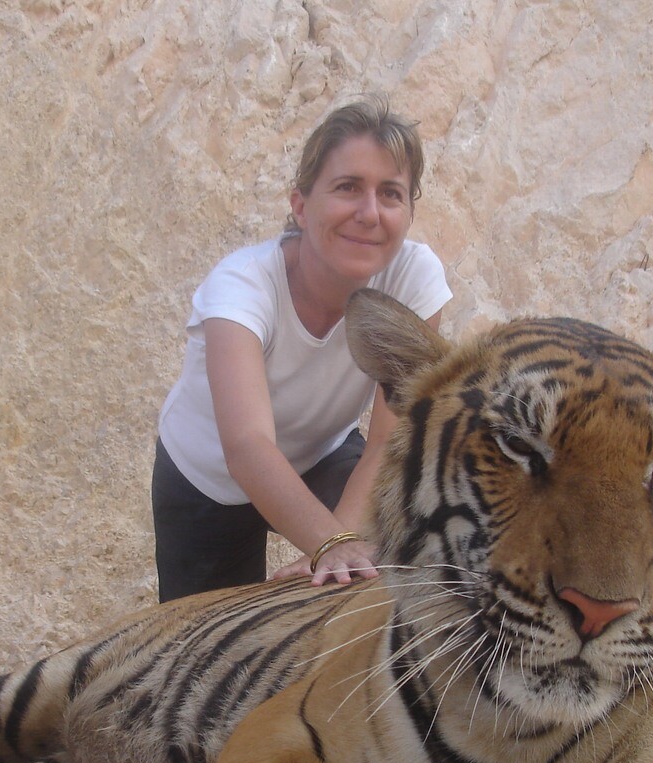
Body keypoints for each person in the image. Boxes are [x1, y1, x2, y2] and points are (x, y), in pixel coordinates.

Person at [152, 96, 451, 602]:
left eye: (391, 194)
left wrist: (345, 547)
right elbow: (247, 448)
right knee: (208, 655)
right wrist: (330, 542)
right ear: (300, 204)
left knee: (392, 554)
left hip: (321, 454)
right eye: (348, 187)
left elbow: (387, 440)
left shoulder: (415, 280)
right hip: (209, 478)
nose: (369, 212)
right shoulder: (241, 289)